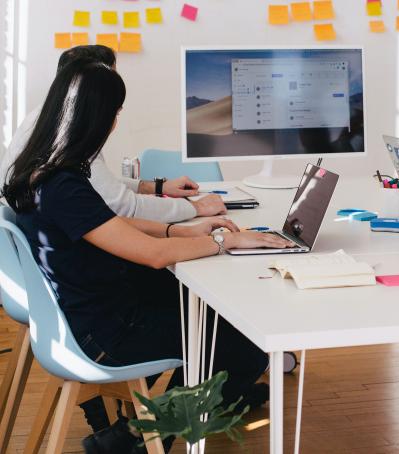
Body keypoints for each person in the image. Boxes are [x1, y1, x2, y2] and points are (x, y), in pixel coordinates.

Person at [2, 60, 294, 453]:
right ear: (97, 118)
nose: (116, 123)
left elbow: (112, 225)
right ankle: (146, 440)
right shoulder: (64, 185)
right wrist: (229, 243)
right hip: (104, 334)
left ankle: (139, 431)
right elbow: (154, 255)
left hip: (90, 313)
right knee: (242, 345)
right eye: (115, 113)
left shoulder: (43, 172)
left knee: (208, 315)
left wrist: (182, 231)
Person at [0, 45, 225, 223]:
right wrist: (196, 208)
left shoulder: (45, 120)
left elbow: (97, 185)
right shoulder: (68, 135)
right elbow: (123, 207)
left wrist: (156, 187)